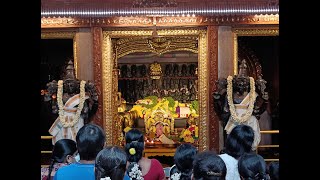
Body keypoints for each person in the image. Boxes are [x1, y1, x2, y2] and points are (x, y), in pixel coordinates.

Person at [214, 60, 267, 150]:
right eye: (239, 82)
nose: (241, 85)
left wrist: (263, 100)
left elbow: (258, 109)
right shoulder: (229, 95)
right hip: (234, 121)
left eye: (244, 83)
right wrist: (218, 98)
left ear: (248, 84)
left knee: (249, 142)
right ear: (235, 83)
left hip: (249, 120)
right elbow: (223, 110)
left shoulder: (253, 95)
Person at [46, 60, 98, 145]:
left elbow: (88, 112)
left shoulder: (81, 96)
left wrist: (95, 99)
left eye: (72, 84)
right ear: (64, 85)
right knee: (62, 145)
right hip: (62, 124)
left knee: (77, 144)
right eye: (67, 84)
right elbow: (53, 111)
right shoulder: (61, 96)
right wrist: (48, 97)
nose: (69, 86)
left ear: (76, 85)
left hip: (77, 123)